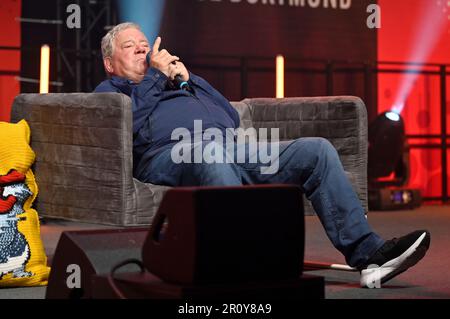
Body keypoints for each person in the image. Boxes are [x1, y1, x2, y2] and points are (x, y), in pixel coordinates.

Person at [94, 22, 430, 288]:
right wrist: (155, 77)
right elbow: (127, 125)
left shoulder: (174, 82)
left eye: (144, 43)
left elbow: (228, 115)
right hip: (169, 154)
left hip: (231, 146)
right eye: (130, 46)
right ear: (110, 63)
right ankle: (242, 267)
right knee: (211, 154)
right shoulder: (112, 91)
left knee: (316, 150)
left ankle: (370, 255)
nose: (142, 48)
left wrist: (188, 80)